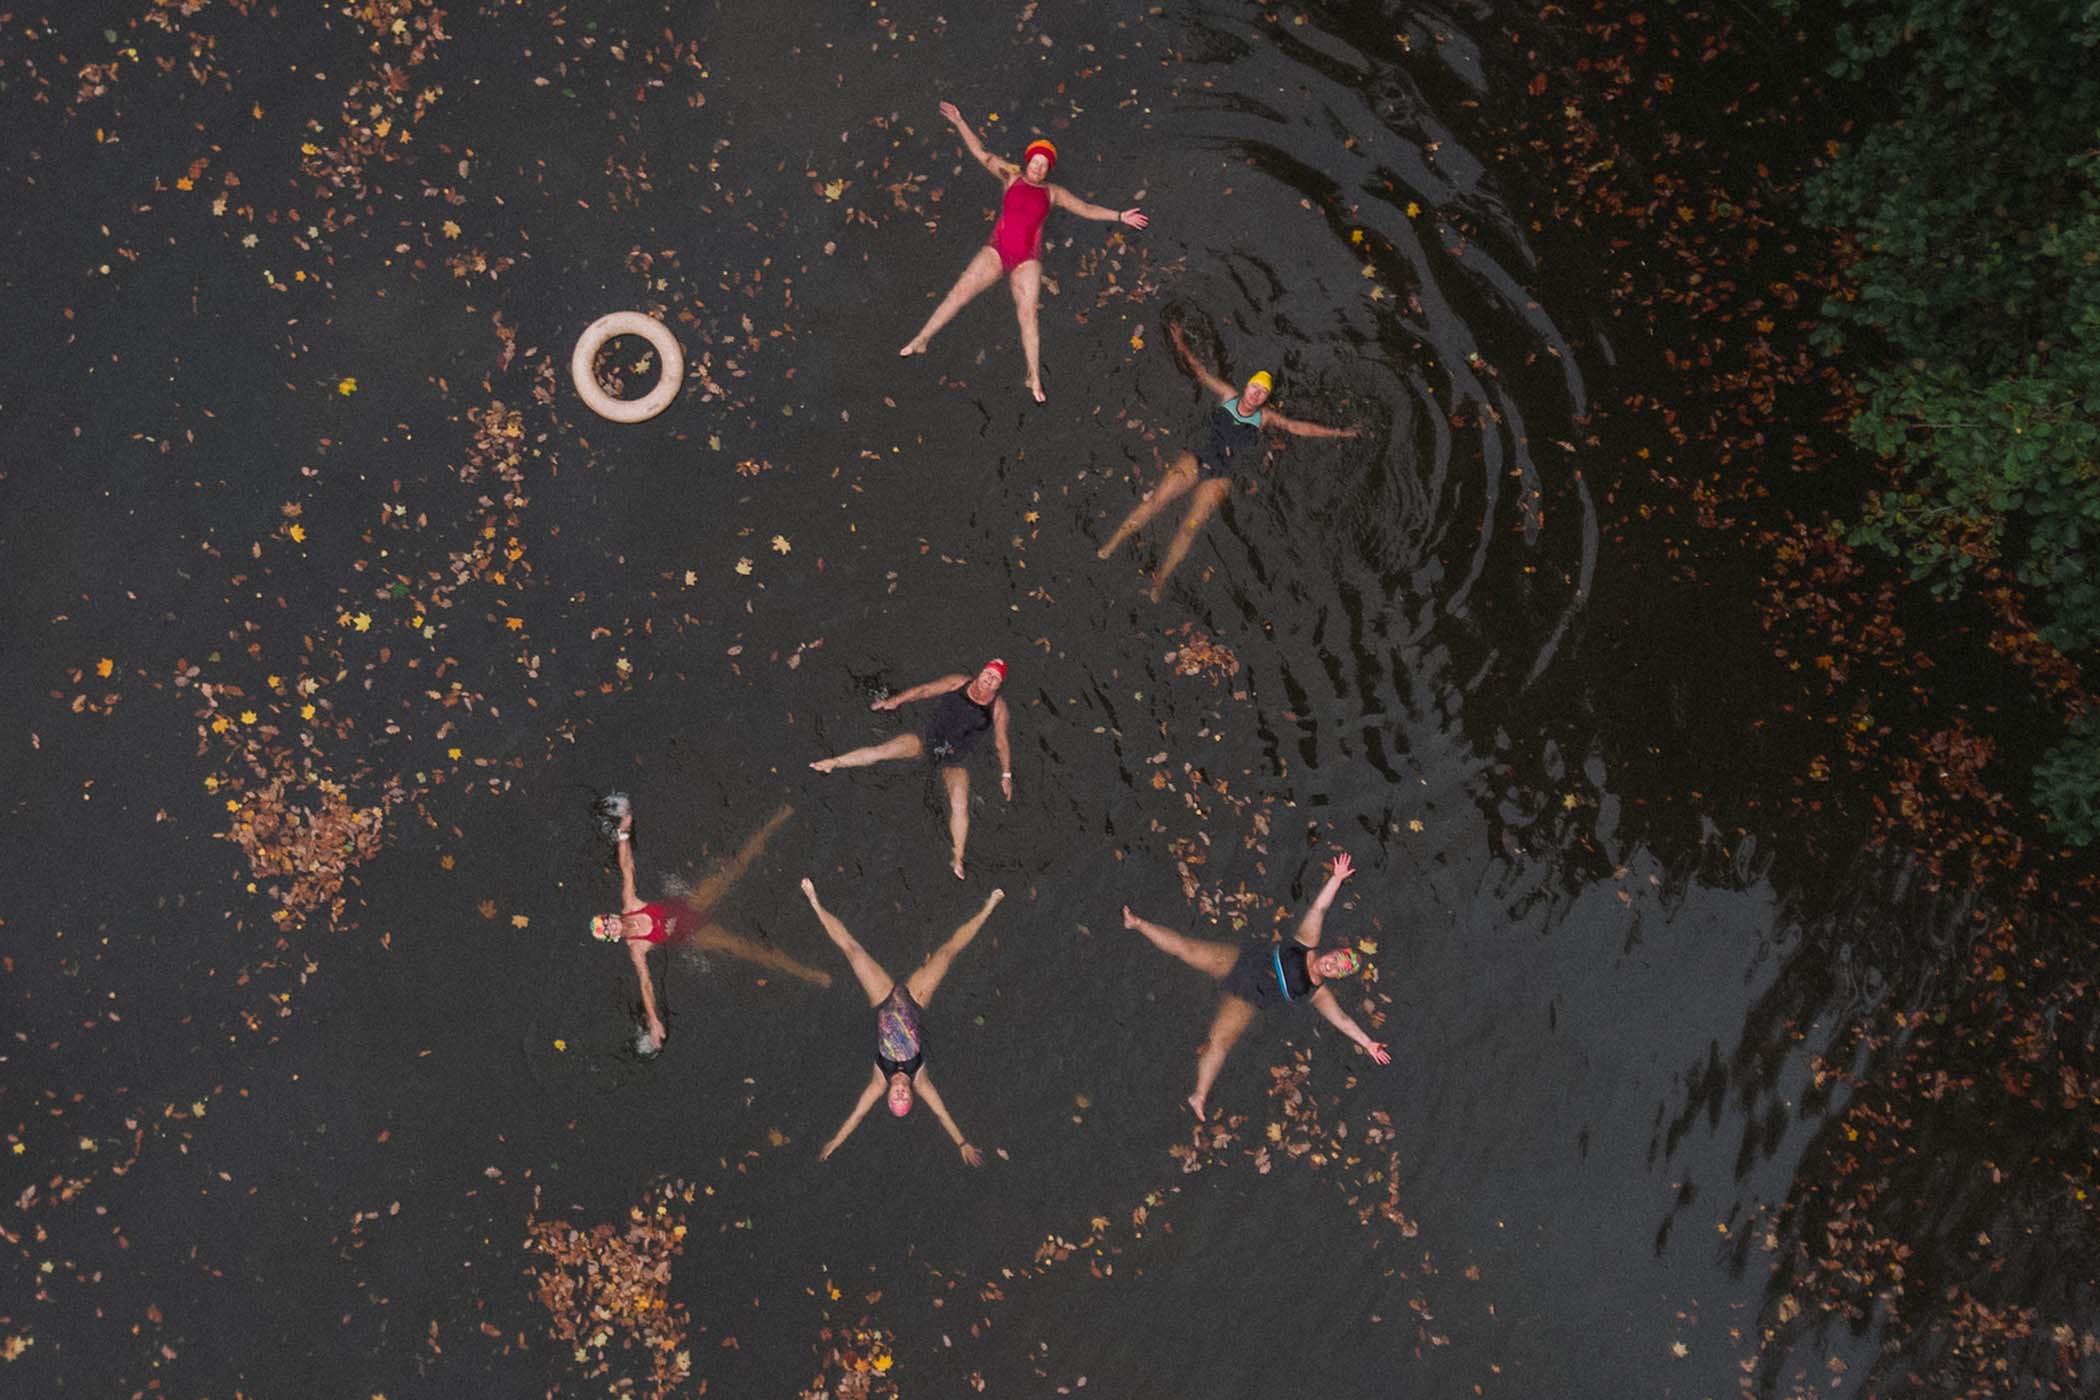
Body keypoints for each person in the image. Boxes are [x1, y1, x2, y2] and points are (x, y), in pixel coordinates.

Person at [898, 101, 1149, 402]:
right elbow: (981, 153)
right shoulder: (1010, 176)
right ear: (1028, 161)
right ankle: (922, 338)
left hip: (1026, 259)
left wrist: (1120, 216)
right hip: (997, 250)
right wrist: (960, 121)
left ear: (1047, 170)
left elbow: (1086, 208)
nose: (1039, 167)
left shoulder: (1053, 193)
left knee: (1028, 314)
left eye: (1044, 165)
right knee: (960, 291)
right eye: (1036, 161)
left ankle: (1033, 375)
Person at [1097, 320, 1359, 600]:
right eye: (1254, 387)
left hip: (1222, 474)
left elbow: (1300, 427)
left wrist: (1340, 433)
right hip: (1197, 458)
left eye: (1263, 393)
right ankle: (1113, 543)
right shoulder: (1227, 395)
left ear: (1264, 399)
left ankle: (1160, 581)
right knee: (1156, 502)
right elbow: (1199, 371)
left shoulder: (1265, 418)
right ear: (1246, 387)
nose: (1256, 394)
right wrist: (1179, 342)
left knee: (1190, 527)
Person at [1122, 852, 1389, 1119]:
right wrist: (1336, 878)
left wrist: (1367, 1043)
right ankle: (1137, 923)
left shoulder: (1317, 993)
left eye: (1336, 970)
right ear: (1331, 952)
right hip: (1240, 962)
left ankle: (1199, 1095)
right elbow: (1319, 908)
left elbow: (1342, 1020)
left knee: (1220, 1042)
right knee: (1186, 949)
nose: (1329, 966)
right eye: (1334, 959)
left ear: (1336, 977)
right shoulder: (1307, 940)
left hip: (1248, 997)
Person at [589, 801, 829, 1053]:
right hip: (695, 934)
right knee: (747, 949)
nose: (612, 927)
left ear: (611, 916)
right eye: (609, 932)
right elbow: (646, 985)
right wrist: (654, 1020)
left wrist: (624, 832)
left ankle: (776, 821)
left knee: (736, 866)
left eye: (607, 922)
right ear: (612, 938)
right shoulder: (636, 947)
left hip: (692, 904)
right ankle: (808, 973)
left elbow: (627, 868)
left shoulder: (630, 904)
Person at [801, 877, 1004, 1166]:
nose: (898, 1090)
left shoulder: (878, 1080)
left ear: (888, 1096)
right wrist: (962, 1142)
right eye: (902, 1094)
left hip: (883, 999)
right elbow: (941, 1112)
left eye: (894, 1096)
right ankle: (988, 907)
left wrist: (836, 1140)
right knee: (947, 952)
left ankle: (814, 902)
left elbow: (857, 1114)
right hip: (914, 1000)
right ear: (908, 1093)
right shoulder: (920, 1079)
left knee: (853, 951)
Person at [809, 659, 1014, 881]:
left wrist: (1006, 775)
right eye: (988, 674)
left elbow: (1001, 742)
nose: (989, 680)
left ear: (998, 685)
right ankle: (834, 763)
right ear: (980, 672)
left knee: (960, 803)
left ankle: (958, 856)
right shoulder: (957, 682)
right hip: (927, 740)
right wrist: (895, 701)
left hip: (955, 759)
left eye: (995, 679)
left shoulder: (998, 708)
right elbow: (925, 690)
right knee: (883, 751)